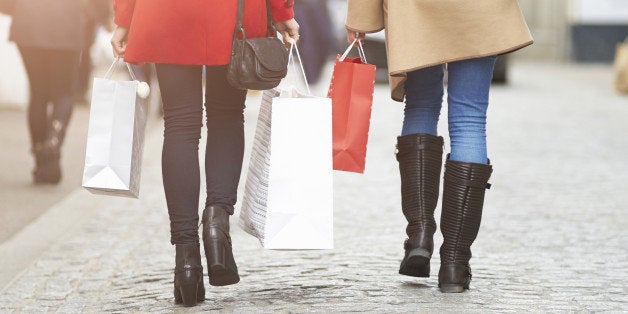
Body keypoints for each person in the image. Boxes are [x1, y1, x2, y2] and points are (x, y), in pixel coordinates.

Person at [110, 0, 299, 307]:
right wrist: (283, 13)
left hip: (166, 12)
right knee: (226, 116)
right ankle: (216, 222)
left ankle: (186, 260)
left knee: (180, 125)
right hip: (234, 12)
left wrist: (124, 18)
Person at [345, 1, 533, 293]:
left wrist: (361, 17)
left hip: (414, 9)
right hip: (479, 8)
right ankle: (455, 264)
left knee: (420, 107)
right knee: (470, 117)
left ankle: (419, 235)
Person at [9, 0, 100, 184]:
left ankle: (40, 154)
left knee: (38, 92)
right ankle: (53, 141)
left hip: (28, 22)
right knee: (64, 92)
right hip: (66, 25)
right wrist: (101, 15)